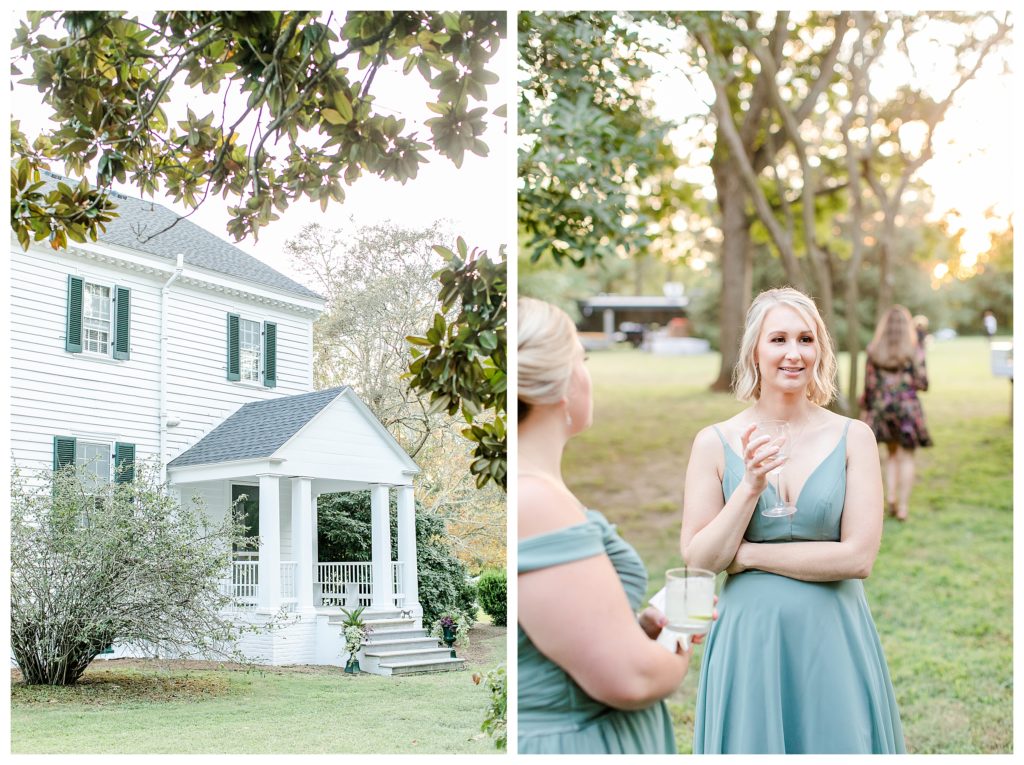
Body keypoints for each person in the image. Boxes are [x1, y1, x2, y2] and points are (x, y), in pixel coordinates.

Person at [682, 287, 905, 754]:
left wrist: (746, 555)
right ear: (755, 351)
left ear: (819, 350)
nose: (793, 354)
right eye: (778, 339)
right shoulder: (713, 442)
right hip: (749, 639)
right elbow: (700, 561)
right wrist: (749, 489)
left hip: (834, 635)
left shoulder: (854, 437)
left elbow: (858, 557)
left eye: (806, 340)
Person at [518, 296, 703, 754]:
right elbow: (631, 679)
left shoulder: (543, 489)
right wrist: (679, 641)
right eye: (582, 359)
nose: (588, 373)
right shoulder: (536, 500)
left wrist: (638, 628)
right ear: (562, 384)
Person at [861, 305, 932, 521]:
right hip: (907, 408)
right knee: (907, 457)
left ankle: (890, 498)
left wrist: (869, 408)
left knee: (890, 455)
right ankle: (902, 507)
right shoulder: (914, 349)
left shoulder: (874, 349)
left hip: (883, 408)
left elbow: (869, 385)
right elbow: (923, 383)